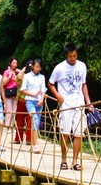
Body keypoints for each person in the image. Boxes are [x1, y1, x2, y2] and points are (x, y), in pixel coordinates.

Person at [48, 43, 91, 171]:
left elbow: (83, 84)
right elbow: (50, 83)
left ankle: (75, 161)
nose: (72, 58)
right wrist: (58, 95)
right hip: (65, 103)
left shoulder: (82, 66)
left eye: (74, 56)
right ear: (66, 55)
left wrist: (88, 101)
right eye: (70, 56)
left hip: (79, 103)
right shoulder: (59, 68)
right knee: (65, 132)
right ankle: (63, 159)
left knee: (78, 133)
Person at [19, 58, 46, 147]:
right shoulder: (27, 76)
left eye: (39, 67)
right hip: (30, 101)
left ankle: (34, 142)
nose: (37, 68)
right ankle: (35, 145)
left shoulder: (42, 77)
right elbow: (23, 89)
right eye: (36, 66)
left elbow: (43, 90)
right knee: (34, 119)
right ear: (33, 66)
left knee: (37, 123)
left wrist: (41, 99)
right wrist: (33, 94)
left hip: (39, 102)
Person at [2, 58, 19, 129]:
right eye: (13, 63)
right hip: (9, 92)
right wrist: (9, 77)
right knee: (9, 110)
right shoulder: (7, 72)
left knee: (14, 111)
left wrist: (20, 72)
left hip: (16, 92)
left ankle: (12, 126)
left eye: (16, 63)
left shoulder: (17, 72)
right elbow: (3, 83)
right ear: (10, 63)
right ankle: (7, 126)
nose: (15, 64)